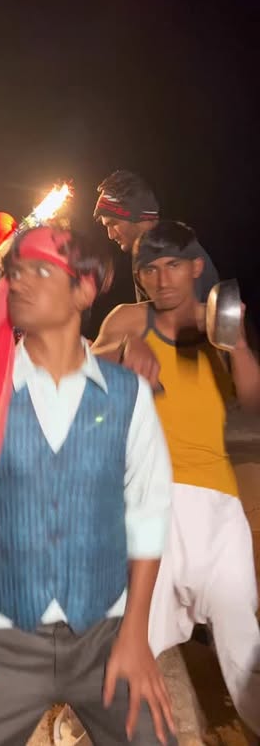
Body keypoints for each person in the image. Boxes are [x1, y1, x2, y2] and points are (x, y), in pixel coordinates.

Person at [0, 225, 177, 746]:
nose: (21, 282)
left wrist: (135, 633)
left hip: (103, 632)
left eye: (41, 269)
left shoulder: (126, 395)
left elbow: (149, 512)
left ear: (84, 290)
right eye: (17, 271)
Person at [95, 220, 260, 736]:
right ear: (139, 275)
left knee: (244, 642)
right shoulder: (128, 319)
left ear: (194, 268)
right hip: (151, 499)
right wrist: (122, 352)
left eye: (172, 265)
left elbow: (252, 402)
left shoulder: (218, 324)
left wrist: (238, 345)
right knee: (134, 638)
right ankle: (90, 726)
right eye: (150, 269)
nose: (162, 279)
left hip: (218, 504)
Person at [94, 169, 218, 301]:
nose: (110, 235)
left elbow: (179, 311)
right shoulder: (153, 250)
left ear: (135, 215)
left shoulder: (171, 249)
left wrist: (123, 312)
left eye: (113, 223)